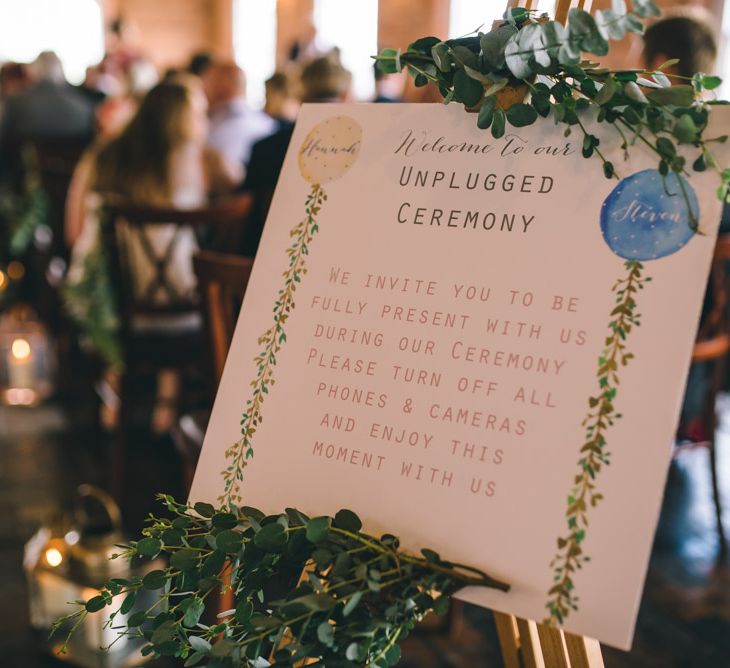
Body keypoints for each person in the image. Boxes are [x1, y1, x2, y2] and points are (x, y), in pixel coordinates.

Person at [64, 75, 239, 432]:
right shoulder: (202, 163)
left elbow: (73, 232)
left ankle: (114, 393)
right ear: (184, 121)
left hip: (117, 317)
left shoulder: (106, 154)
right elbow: (238, 181)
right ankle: (167, 405)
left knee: (119, 278)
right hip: (192, 319)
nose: (205, 124)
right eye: (200, 115)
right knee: (181, 274)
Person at [238, 53, 352, 257]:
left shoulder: (265, 147)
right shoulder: (355, 149)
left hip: (264, 255)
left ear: (299, 94)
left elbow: (248, 210)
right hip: (336, 255)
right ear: (346, 95)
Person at [203, 61, 276, 169]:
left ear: (221, 87)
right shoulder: (268, 124)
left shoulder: (209, 126)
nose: (203, 88)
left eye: (207, 83)